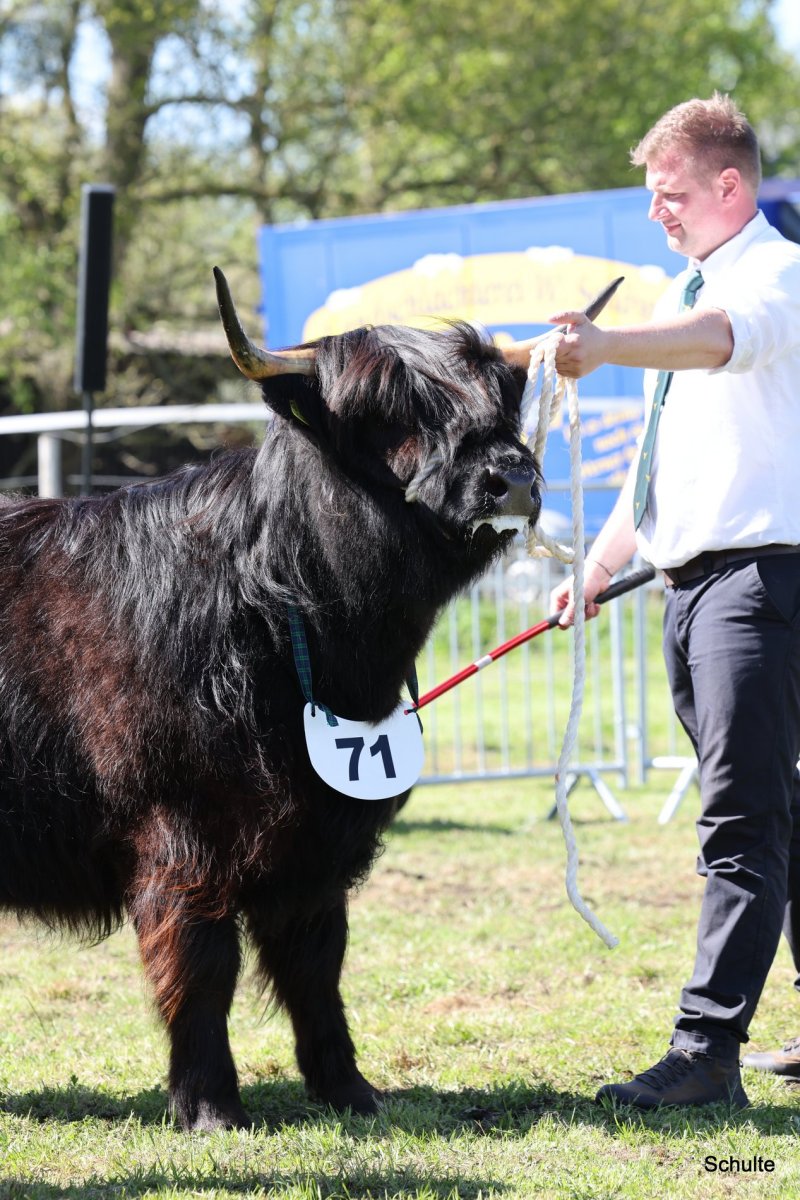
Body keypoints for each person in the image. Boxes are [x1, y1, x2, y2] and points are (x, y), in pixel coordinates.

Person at [549, 93, 800, 1109]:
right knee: (779, 809)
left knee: (740, 820)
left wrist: (610, 345)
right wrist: (599, 565)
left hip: (758, 585)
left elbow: (721, 339)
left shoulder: (777, 275)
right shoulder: (678, 291)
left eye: (671, 194)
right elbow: (656, 463)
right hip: (693, 591)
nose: (655, 211)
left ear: (729, 187)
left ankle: (705, 1055)